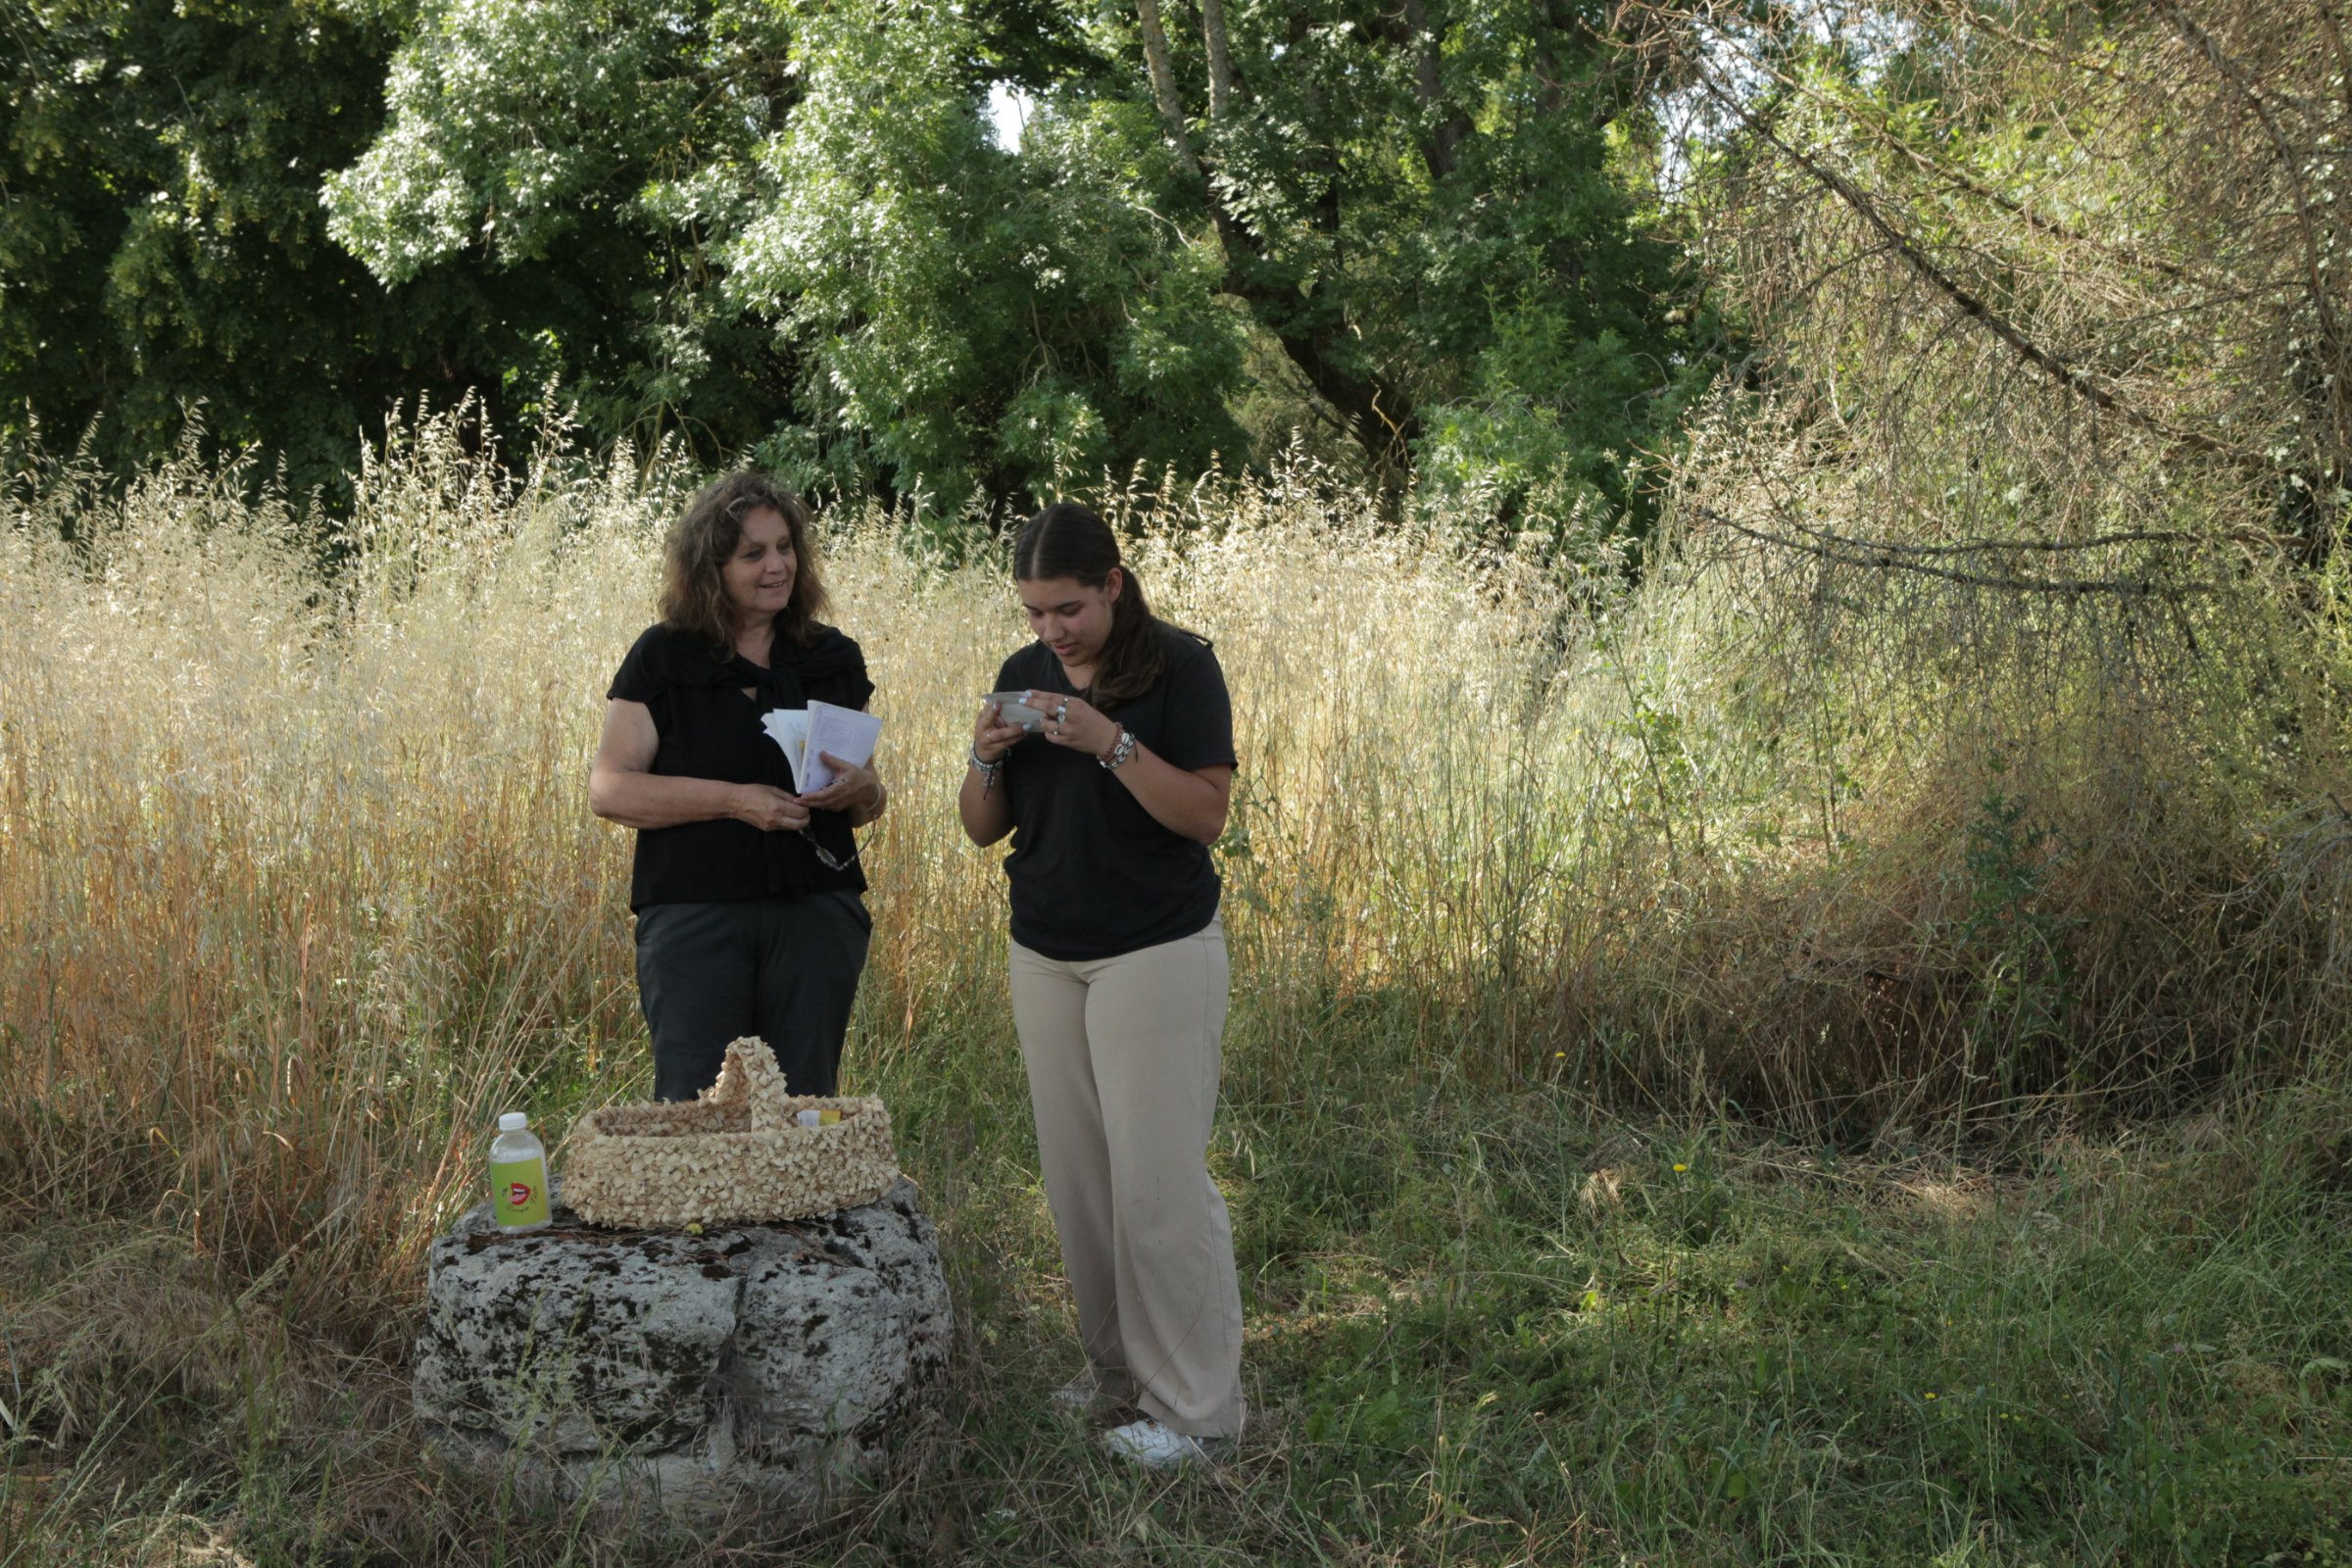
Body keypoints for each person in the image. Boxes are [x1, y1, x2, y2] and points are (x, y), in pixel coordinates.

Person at [957, 502, 1246, 1470]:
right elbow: (981, 828)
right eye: (1035, 612)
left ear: (1113, 585)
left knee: (1158, 1187)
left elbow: (1205, 814)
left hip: (1154, 949)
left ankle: (1199, 1413)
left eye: (1069, 608)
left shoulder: (1181, 667)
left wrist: (1108, 742)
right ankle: (1118, 1373)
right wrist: (984, 755)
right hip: (1045, 950)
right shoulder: (1023, 672)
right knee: (1079, 1184)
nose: (1052, 630)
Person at [590, 472, 886, 1102]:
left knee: (804, 1107)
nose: (777, 566)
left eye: (785, 547)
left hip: (816, 913)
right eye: (754, 554)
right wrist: (734, 800)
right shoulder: (663, 657)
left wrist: (862, 791)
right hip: (695, 916)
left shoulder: (832, 658)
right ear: (711, 569)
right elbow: (610, 790)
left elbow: (868, 802)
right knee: (699, 1110)